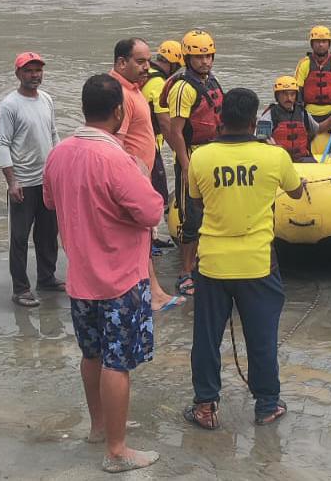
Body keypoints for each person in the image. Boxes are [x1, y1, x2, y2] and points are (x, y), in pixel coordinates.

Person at [43, 74, 162, 473]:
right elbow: (151, 211)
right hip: (120, 281)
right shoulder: (116, 159)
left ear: (83, 108)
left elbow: (48, 198)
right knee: (118, 363)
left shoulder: (59, 153)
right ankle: (117, 449)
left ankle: (98, 428)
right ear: (118, 112)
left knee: (91, 355)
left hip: (80, 277)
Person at [183, 88, 304, 430]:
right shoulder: (275, 157)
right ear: (255, 122)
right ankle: (266, 404)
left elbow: (197, 199)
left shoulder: (201, 158)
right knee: (262, 337)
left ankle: (205, 406)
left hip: (212, 263)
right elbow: (295, 190)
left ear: (221, 119)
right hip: (257, 262)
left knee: (206, 338)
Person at [109, 38, 183, 312]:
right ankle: (152, 293)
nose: (146, 66)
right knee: (139, 237)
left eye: (148, 60)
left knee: (143, 237)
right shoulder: (120, 94)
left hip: (141, 175)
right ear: (121, 62)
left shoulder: (134, 88)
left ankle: (152, 290)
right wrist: (132, 177)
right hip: (131, 179)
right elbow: (117, 141)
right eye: (140, 61)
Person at [0, 51, 63, 307]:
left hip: (46, 181)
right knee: (20, 238)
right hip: (22, 183)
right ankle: (20, 289)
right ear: (18, 74)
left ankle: (47, 278)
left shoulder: (46, 99)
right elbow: (2, 144)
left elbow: (54, 134)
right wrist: (12, 181)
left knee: (48, 234)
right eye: (29, 71)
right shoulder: (9, 105)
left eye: (38, 70)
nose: (35, 75)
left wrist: (58, 169)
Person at [161, 30, 224, 297]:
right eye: (199, 57)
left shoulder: (210, 81)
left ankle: (206, 263)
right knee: (192, 218)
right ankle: (186, 272)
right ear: (188, 58)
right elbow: (175, 131)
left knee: (214, 213)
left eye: (208, 56)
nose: (205, 61)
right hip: (193, 156)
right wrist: (186, 165)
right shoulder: (183, 87)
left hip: (214, 153)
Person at [141, 39, 184, 208]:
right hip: (149, 144)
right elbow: (165, 124)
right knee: (159, 194)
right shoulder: (159, 83)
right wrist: (181, 154)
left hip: (135, 140)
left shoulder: (144, 72)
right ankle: (155, 230)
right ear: (173, 65)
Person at [258, 76, 331, 162]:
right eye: (284, 94)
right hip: (280, 160)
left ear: (296, 96)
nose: (289, 98)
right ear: (277, 96)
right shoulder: (268, 115)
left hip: (302, 158)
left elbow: (319, 129)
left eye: (292, 94)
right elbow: (261, 140)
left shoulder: (303, 113)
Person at [294, 25, 331, 122]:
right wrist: (300, 109)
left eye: (324, 42)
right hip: (309, 112)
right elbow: (297, 90)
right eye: (317, 42)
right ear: (312, 44)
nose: (320, 45)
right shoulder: (304, 63)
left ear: (329, 44)